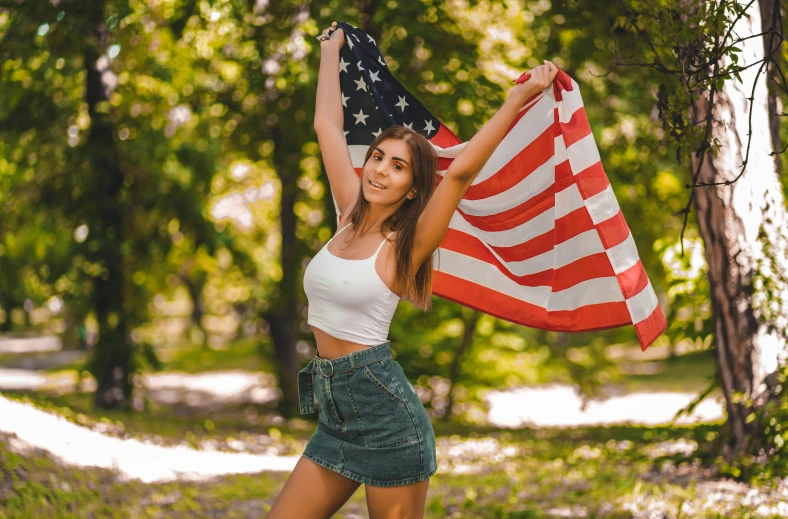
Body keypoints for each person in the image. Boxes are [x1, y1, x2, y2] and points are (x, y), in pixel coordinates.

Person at [266, 21, 558, 519]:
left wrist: (522, 96)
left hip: (387, 417)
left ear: (414, 188)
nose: (380, 169)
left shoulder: (407, 246)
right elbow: (327, 127)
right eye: (378, 157)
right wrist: (329, 50)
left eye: (398, 166)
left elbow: (461, 171)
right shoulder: (345, 217)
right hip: (335, 417)